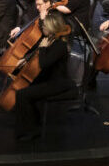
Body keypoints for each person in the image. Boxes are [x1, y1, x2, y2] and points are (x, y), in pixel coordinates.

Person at [12, 11, 72, 141]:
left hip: (57, 84)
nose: (42, 28)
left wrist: (42, 49)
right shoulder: (50, 41)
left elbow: (44, 63)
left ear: (51, 27)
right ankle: (32, 124)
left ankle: (31, 131)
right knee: (24, 91)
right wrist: (27, 60)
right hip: (48, 79)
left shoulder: (59, 45)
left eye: (44, 26)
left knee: (22, 94)